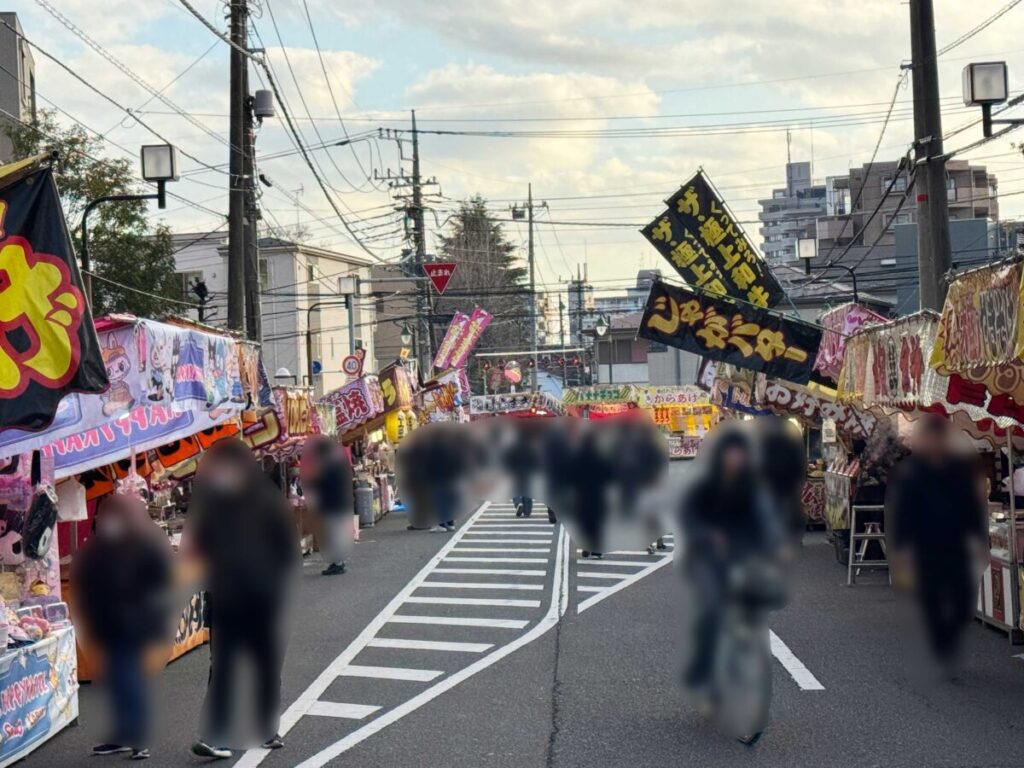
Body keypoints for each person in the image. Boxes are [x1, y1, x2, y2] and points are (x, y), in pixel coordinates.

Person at [185, 440, 298, 760]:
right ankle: (215, 735)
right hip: (226, 598)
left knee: (265, 664)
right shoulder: (214, 505)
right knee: (222, 666)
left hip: (260, 597)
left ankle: (266, 727)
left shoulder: (267, 500)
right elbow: (201, 546)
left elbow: (286, 548)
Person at [678, 423, 783, 699]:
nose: (737, 458)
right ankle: (700, 671)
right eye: (731, 452)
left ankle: (747, 662)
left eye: (741, 453)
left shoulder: (752, 486)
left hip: (741, 554)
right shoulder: (702, 483)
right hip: (704, 557)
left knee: (755, 600)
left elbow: (766, 518)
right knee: (712, 608)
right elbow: (687, 518)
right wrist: (707, 536)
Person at [72, 495, 173, 761]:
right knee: (113, 680)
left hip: (134, 623)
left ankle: (138, 736)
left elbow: (161, 580)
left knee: (129, 679)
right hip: (107, 623)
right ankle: (121, 735)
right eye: (105, 516)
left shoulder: (145, 545)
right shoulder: (98, 548)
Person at [887, 415, 987, 672]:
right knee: (930, 599)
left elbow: (974, 507)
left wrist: (982, 540)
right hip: (924, 546)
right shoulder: (910, 473)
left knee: (964, 601)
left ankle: (949, 639)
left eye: (938, 437)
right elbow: (900, 513)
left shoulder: (960, 469)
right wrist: (898, 548)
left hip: (957, 544)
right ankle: (941, 647)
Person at [301, 437, 354, 576]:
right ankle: (338, 562)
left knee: (334, 535)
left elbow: (321, 484)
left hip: (331, 505)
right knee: (337, 534)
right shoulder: (338, 463)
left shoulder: (327, 466)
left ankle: (337, 563)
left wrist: (311, 481)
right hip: (339, 503)